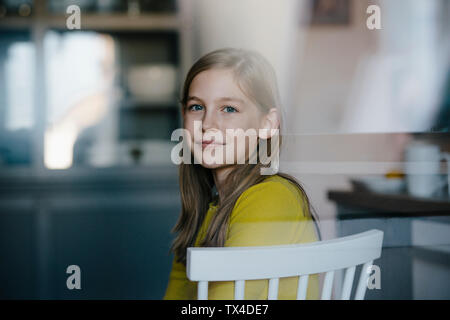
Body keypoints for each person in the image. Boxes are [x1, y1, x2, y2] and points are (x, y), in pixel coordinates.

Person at [164, 48, 321, 300]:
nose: (207, 124)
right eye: (196, 107)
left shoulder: (273, 197)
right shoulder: (205, 211)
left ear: (267, 124)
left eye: (228, 109)